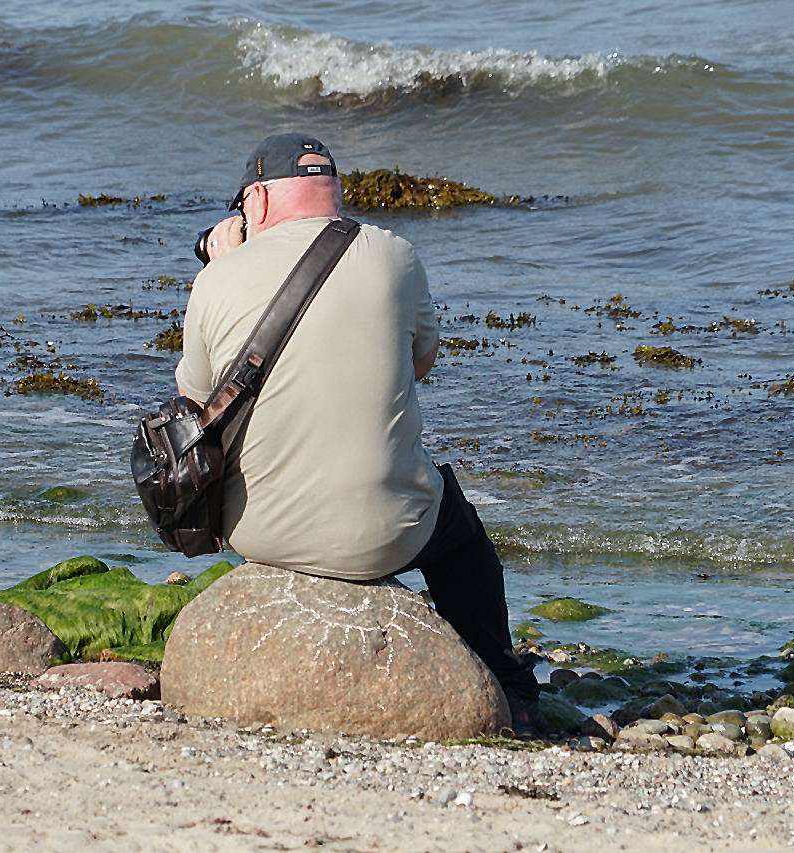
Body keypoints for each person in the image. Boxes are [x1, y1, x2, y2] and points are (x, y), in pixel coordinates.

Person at [174, 133, 545, 737]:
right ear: (333, 192)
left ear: (259, 200)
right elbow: (421, 365)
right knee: (465, 541)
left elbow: (194, 403)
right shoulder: (394, 255)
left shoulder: (218, 276)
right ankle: (511, 691)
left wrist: (225, 264)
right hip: (389, 538)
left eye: (242, 207)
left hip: (259, 533)